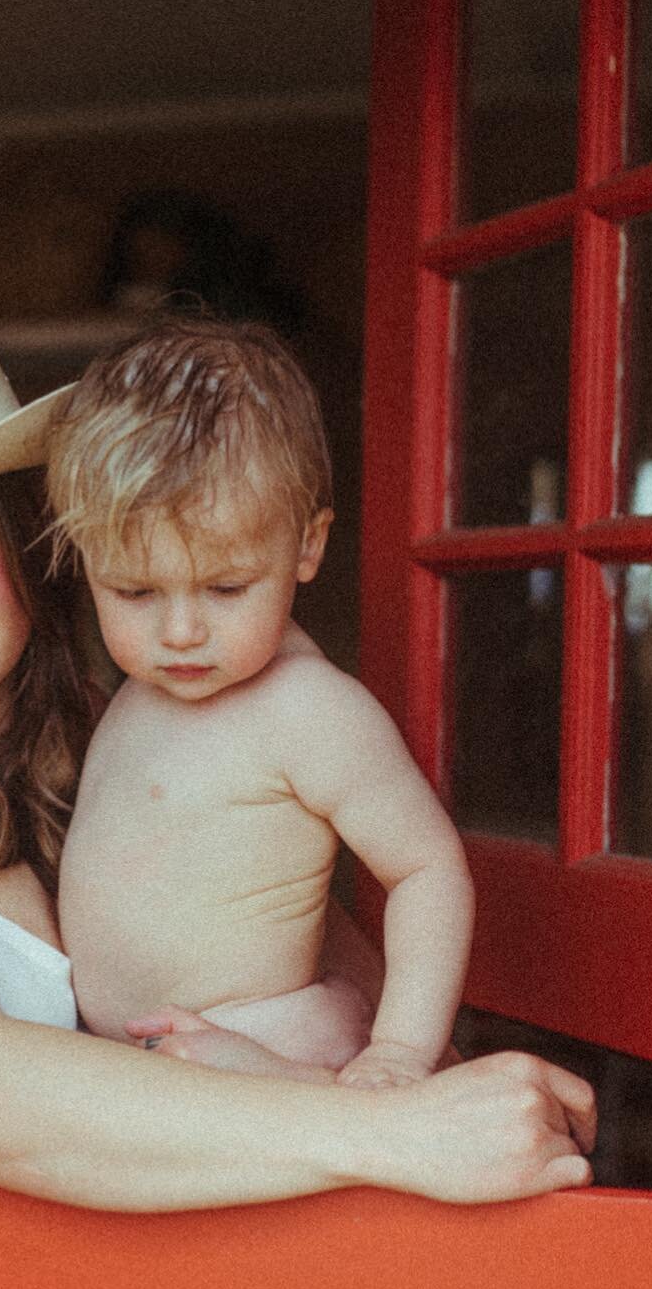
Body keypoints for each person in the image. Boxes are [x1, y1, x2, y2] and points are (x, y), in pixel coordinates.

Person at [0, 281, 594, 1212]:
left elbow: (354, 1007)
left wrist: (488, 1112)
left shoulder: (135, 724)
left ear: (42, 537)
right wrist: (397, 1136)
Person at [48, 315, 469, 1091]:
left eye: (226, 588)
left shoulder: (309, 710)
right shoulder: (136, 690)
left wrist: (402, 1051)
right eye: (135, 591)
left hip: (271, 1042)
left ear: (306, 548)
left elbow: (427, 870)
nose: (180, 632)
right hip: (136, 1062)